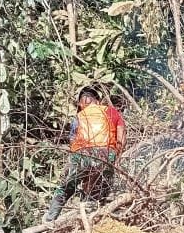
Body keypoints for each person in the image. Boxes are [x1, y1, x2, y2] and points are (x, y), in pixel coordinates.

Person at [43, 88, 126, 221]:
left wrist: (76, 161)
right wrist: (115, 156)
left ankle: (50, 219)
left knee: (66, 188)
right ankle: (94, 218)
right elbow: (121, 137)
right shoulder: (112, 112)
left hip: (81, 154)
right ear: (98, 101)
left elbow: (72, 140)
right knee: (99, 190)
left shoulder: (79, 116)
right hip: (106, 154)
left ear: (81, 104)